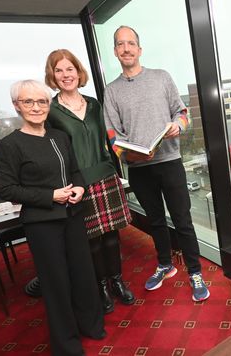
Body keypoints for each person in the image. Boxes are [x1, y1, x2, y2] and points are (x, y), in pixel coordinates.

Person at [0, 80, 105, 356]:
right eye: (28, 102)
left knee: (83, 275)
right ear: (17, 106)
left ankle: (91, 325)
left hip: (73, 216)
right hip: (42, 224)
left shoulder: (59, 136)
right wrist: (50, 196)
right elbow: (7, 189)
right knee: (57, 285)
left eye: (42, 101)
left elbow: (75, 172)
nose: (36, 107)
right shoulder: (9, 144)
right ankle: (67, 345)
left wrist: (79, 187)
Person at [103, 25, 210, 302]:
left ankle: (195, 271)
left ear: (139, 49)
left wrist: (178, 125)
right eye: (120, 44)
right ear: (115, 51)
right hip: (139, 169)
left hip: (170, 162)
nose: (126, 48)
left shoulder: (161, 77)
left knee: (183, 221)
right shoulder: (112, 91)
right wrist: (129, 154)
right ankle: (165, 265)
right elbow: (113, 136)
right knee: (155, 221)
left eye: (130, 43)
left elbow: (182, 112)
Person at [44, 49, 135, 314]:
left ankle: (116, 281)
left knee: (111, 237)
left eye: (69, 69)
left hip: (106, 175)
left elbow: (110, 138)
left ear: (78, 71)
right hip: (78, 182)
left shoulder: (95, 104)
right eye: (58, 70)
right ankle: (100, 288)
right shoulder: (51, 110)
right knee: (91, 240)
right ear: (53, 75)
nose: (65, 75)